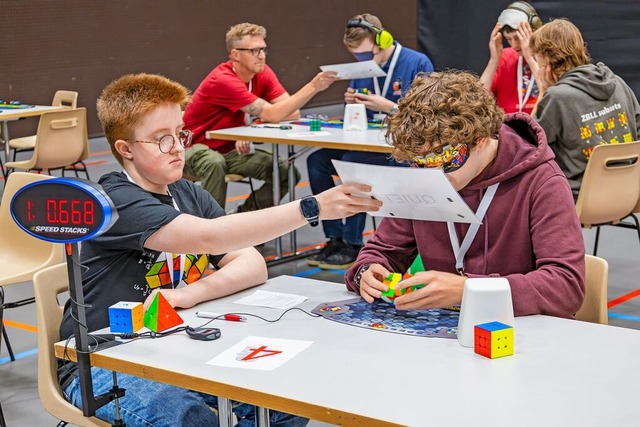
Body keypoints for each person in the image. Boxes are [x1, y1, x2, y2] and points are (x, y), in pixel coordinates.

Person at [58, 73, 381, 427]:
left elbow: (252, 262)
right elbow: (210, 238)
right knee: (190, 418)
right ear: (125, 149)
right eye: (161, 139)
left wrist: (189, 294)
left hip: (170, 343)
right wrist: (310, 208)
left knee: (287, 398)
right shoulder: (115, 201)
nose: (179, 147)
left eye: (180, 133)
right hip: (103, 359)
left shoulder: (188, 193)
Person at [345, 70, 586, 319]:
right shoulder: (426, 175)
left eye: (445, 160)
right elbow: (382, 250)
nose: (433, 175)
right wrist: (367, 272)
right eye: (422, 162)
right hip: (445, 330)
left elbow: (566, 287)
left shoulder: (542, 181)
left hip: (518, 330)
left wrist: (470, 289)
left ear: (481, 139)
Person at [306, 13, 434, 270]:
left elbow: (429, 116)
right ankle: (335, 238)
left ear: (382, 40)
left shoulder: (417, 62)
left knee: (353, 164)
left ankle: (353, 243)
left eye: (364, 55)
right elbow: (359, 115)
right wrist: (352, 103)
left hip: (403, 151)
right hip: (367, 142)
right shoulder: (362, 70)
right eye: (355, 56)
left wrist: (389, 106)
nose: (360, 61)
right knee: (317, 161)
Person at [183, 22, 339, 212]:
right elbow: (274, 114)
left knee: (285, 172)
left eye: (264, 49)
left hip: (228, 149)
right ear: (235, 54)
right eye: (255, 51)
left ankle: (242, 221)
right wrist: (313, 86)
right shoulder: (222, 80)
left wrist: (253, 123)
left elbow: (292, 112)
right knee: (214, 163)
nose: (262, 56)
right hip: (193, 149)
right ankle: (211, 232)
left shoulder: (261, 72)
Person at [530, 18, 640, 198]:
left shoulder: (557, 98)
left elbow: (528, 145)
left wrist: (542, 92)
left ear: (548, 60)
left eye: (537, 59)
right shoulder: (618, 83)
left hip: (580, 198)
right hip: (628, 195)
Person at [479, 1, 543, 114]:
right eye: (508, 39)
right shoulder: (505, 57)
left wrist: (530, 59)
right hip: (508, 129)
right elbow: (478, 98)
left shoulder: (547, 57)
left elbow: (550, 94)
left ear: (534, 31)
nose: (514, 45)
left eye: (517, 38)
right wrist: (493, 61)